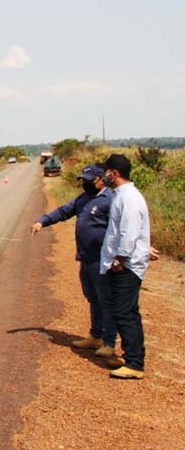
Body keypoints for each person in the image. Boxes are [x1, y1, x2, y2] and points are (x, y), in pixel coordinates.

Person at [31, 164, 116, 359]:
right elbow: (63, 211)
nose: (85, 184)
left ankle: (109, 342)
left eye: (89, 181)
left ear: (101, 179)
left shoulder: (110, 200)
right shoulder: (84, 199)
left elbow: (122, 227)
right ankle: (95, 335)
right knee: (92, 298)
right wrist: (42, 221)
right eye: (83, 181)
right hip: (85, 258)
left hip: (102, 259)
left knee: (106, 300)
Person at [99, 153, 151, 379]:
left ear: (114, 173)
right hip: (125, 263)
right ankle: (134, 357)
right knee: (128, 311)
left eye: (106, 171)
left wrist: (120, 259)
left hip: (127, 266)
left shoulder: (128, 197)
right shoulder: (122, 195)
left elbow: (127, 232)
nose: (104, 176)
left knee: (124, 313)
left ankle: (134, 363)